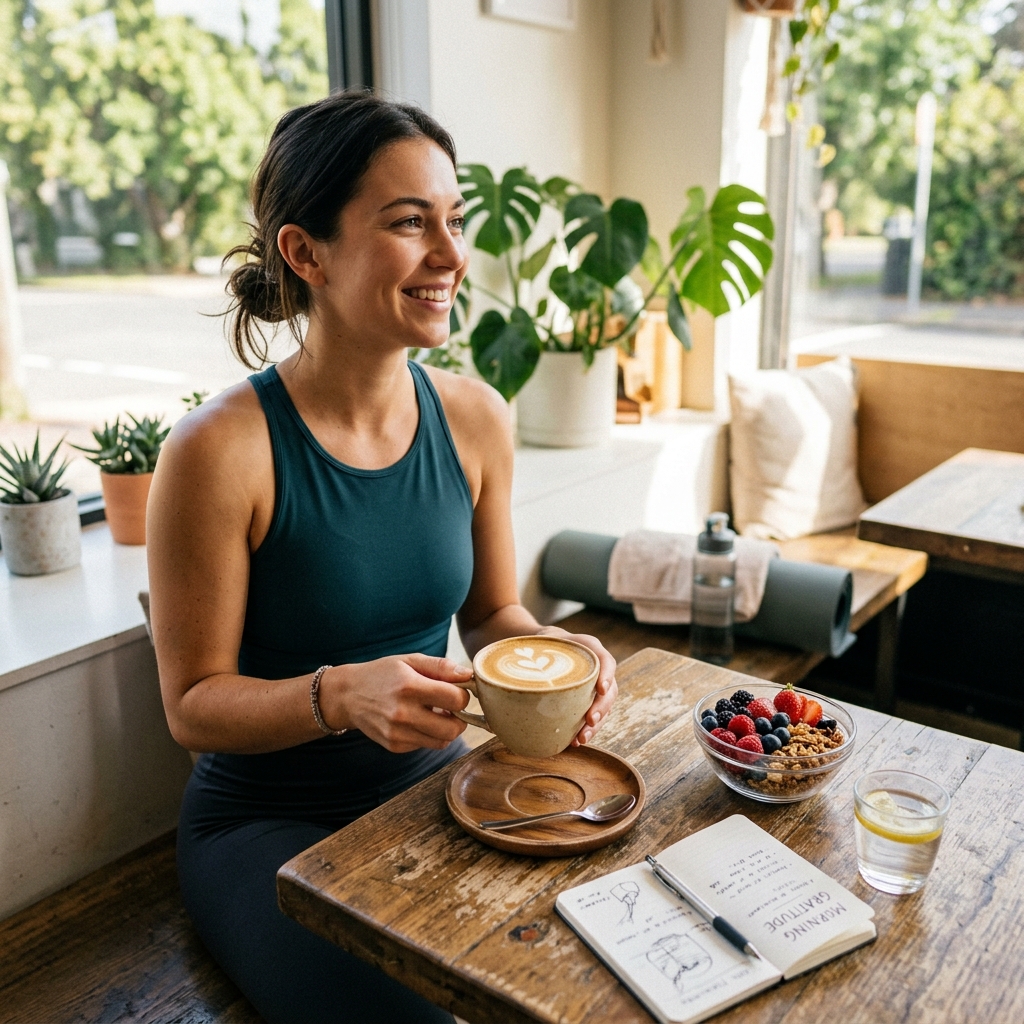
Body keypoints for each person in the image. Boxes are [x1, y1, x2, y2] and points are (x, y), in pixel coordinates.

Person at [146, 92, 618, 1024]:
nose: (450, 255)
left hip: (444, 790)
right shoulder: (217, 451)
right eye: (410, 223)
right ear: (305, 252)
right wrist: (338, 695)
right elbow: (192, 706)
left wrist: (569, 660)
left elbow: (493, 615)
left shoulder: (476, 415)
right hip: (265, 827)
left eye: (453, 220)